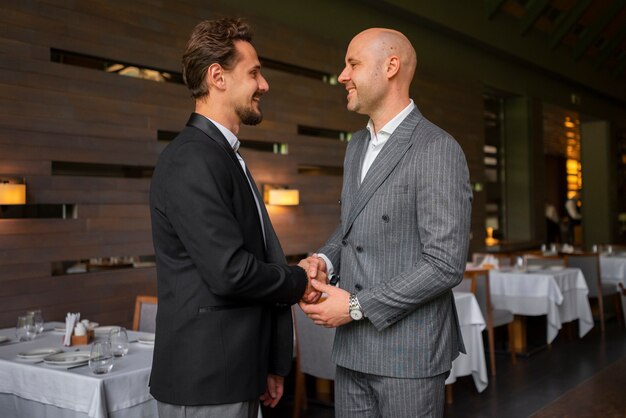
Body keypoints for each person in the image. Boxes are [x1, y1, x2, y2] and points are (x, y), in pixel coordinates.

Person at [149, 18, 322, 418]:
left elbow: (258, 258)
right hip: (206, 382)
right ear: (218, 77)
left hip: (237, 371)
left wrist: (269, 363)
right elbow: (231, 272)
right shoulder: (192, 159)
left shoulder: (222, 156)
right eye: (254, 72)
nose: (264, 85)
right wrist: (299, 279)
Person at [299, 28, 472, 418]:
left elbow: (445, 264)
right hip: (352, 351)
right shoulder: (355, 145)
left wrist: (356, 306)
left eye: (353, 64)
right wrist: (323, 262)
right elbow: (352, 228)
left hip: (408, 355)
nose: (342, 75)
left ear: (391, 66)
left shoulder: (437, 148)